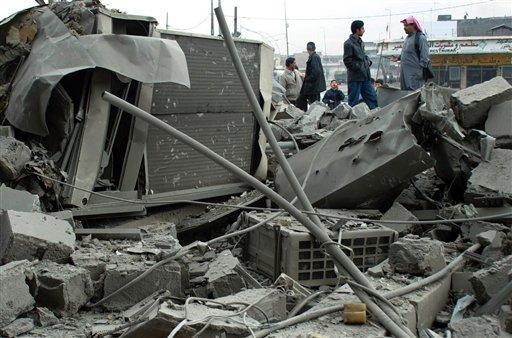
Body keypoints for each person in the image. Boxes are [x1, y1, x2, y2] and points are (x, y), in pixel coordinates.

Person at [343, 20, 378, 109]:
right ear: (357, 30)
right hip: (355, 78)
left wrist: (368, 61)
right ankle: (352, 121)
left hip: (365, 77)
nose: (364, 30)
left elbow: (363, 56)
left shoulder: (361, 42)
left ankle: (376, 118)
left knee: (373, 98)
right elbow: (347, 61)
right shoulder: (348, 43)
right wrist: (360, 67)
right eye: (362, 28)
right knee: (353, 102)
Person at [390, 16, 431, 90]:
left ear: (413, 25)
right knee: (405, 94)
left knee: (415, 94)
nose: (404, 28)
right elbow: (408, 52)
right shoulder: (407, 38)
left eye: (406, 25)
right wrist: (398, 58)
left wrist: (419, 71)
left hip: (415, 74)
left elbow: (425, 56)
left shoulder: (420, 38)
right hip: (405, 73)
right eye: (404, 26)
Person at [296, 42, 326, 111]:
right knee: (303, 101)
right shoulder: (314, 57)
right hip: (312, 87)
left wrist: (306, 78)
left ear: (308, 49)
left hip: (313, 87)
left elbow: (315, 72)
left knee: (314, 106)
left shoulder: (314, 57)